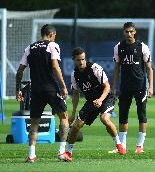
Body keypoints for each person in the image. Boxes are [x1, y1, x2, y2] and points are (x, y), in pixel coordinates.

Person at [15, 24, 71, 162]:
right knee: (64, 117)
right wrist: (63, 86)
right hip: (52, 88)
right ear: (52, 34)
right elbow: (55, 66)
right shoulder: (53, 45)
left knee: (34, 123)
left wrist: (18, 90)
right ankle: (61, 152)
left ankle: (31, 155)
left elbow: (20, 70)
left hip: (36, 91)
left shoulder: (30, 48)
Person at [63, 47, 126, 161]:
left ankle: (119, 144)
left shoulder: (94, 68)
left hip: (106, 97)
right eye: (78, 60)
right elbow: (76, 94)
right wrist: (73, 113)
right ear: (73, 60)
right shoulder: (74, 75)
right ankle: (68, 152)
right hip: (91, 101)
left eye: (83, 59)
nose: (81, 62)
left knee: (104, 119)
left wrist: (101, 100)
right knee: (77, 125)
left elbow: (107, 87)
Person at [111, 22, 153, 154]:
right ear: (123, 32)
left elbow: (149, 68)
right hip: (125, 86)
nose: (129, 34)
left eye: (131, 31)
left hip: (140, 85)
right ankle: (122, 146)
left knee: (142, 114)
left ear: (135, 32)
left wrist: (150, 87)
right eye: (126, 32)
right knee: (123, 115)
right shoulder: (118, 47)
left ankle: (140, 145)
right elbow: (117, 68)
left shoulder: (142, 47)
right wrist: (113, 86)